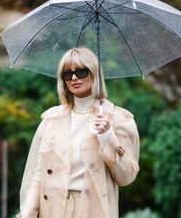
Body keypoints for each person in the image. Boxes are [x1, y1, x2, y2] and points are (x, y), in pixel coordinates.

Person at [17, 47, 140, 218]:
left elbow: (126, 177)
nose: (74, 77)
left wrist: (107, 136)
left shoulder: (118, 119)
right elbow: (39, 175)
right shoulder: (52, 120)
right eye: (67, 74)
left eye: (81, 71)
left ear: (94, 73)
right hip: (53, 209)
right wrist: (28, 213)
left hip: (92, 209)